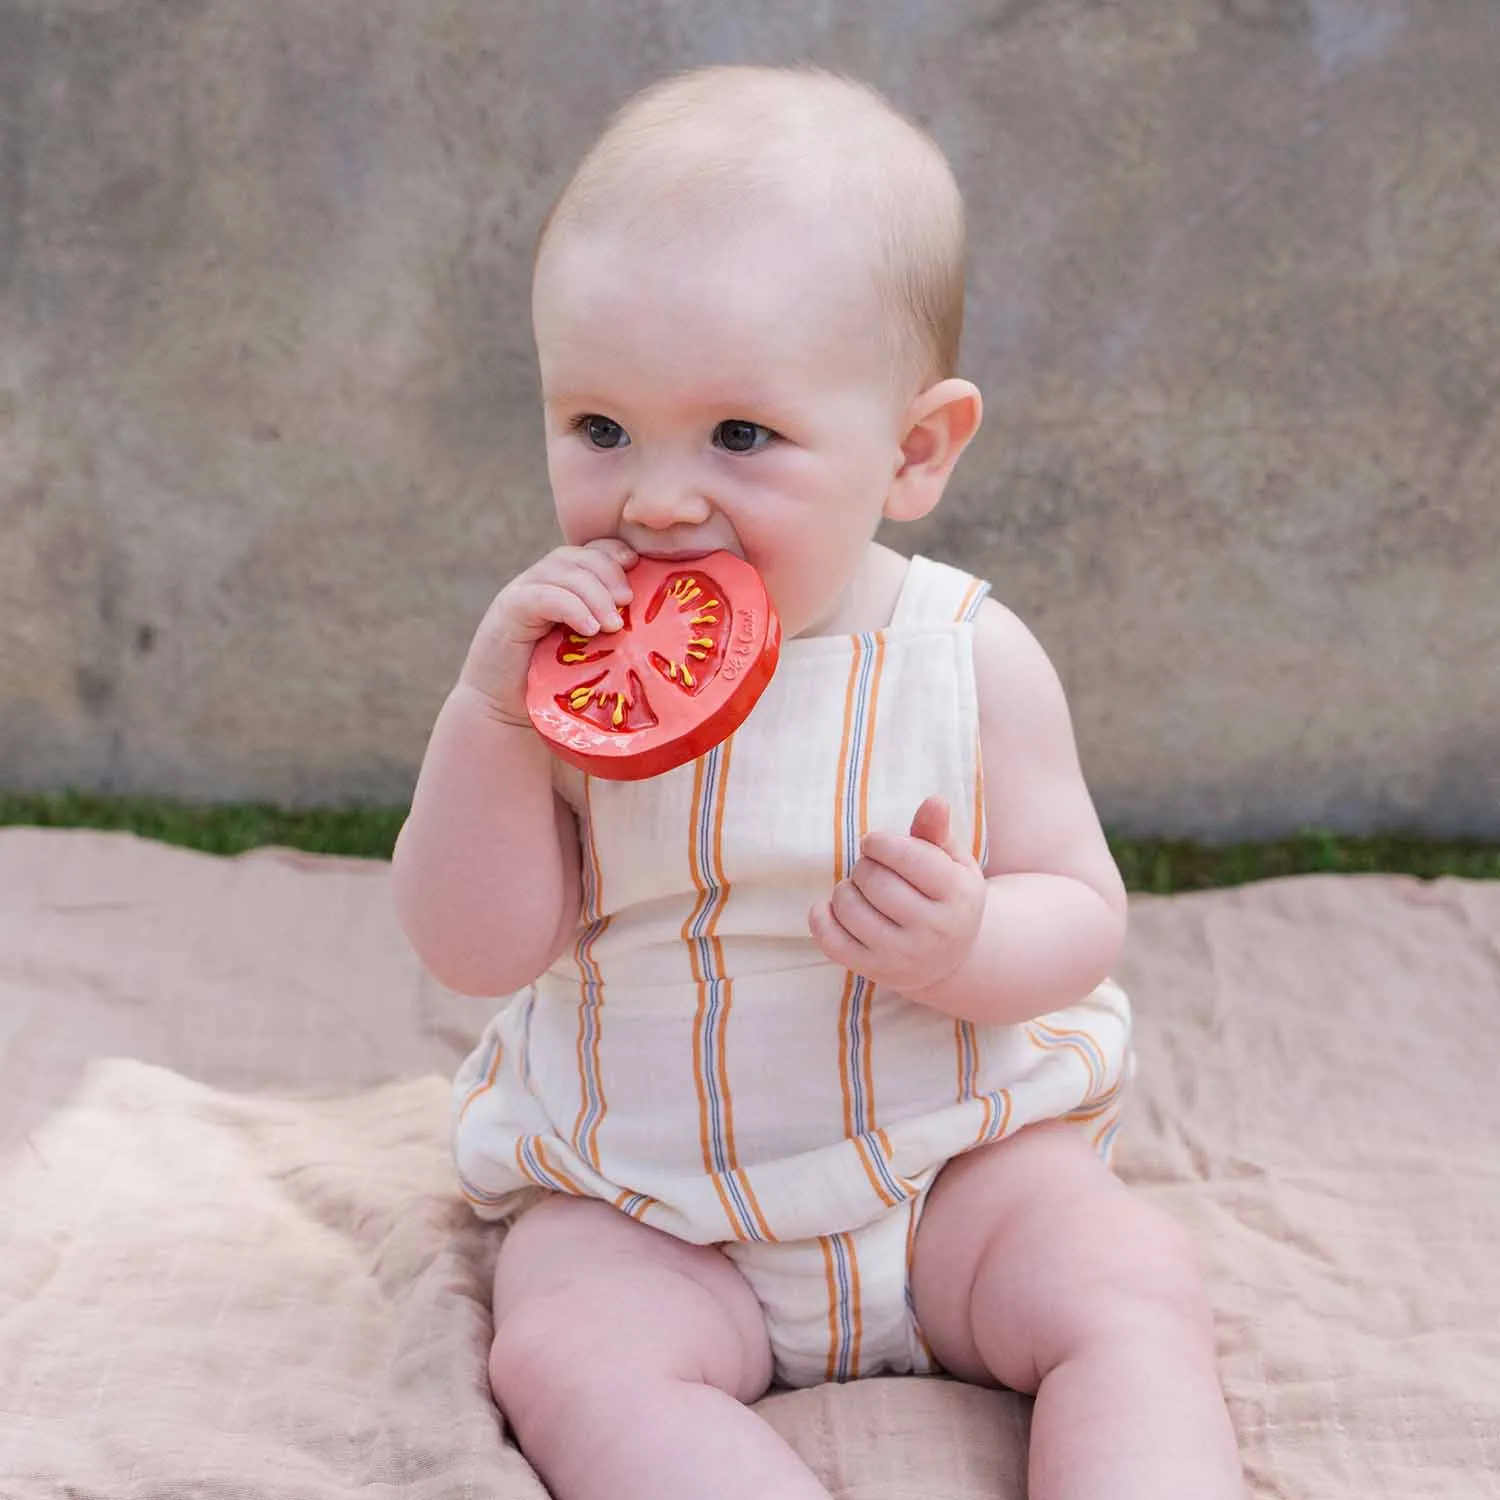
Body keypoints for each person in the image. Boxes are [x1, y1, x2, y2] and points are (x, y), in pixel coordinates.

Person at [392, 62, 1243, 1500]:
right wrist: (487, 720)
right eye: (601, 429)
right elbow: (474, 946)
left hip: (949, 1173)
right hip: (654, 1203)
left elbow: (1082, 914)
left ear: (913, 452)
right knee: (562, 1351)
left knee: (1130, 1286)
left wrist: (972, 940)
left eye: (739, 436)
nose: (658, 497)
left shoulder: (966, 657)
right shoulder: (560, 679)